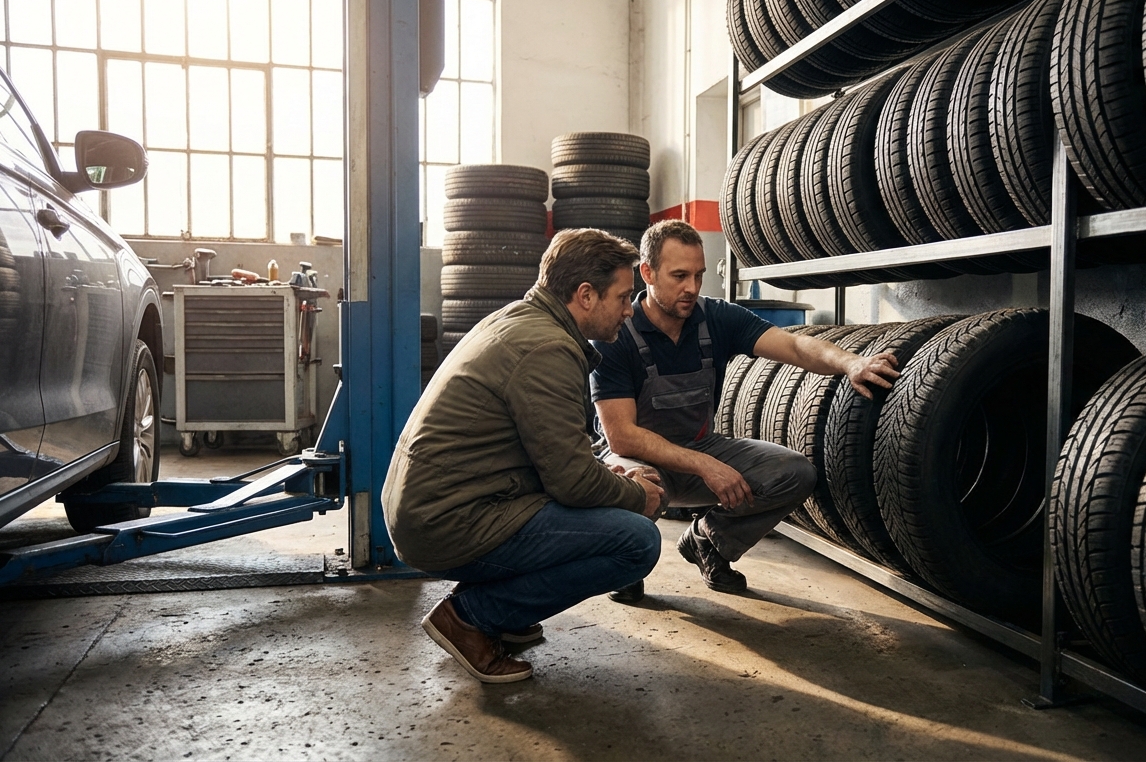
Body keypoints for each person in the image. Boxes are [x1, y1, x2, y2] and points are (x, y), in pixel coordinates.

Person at [382, 228, 665, 684]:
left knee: (614, 505)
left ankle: (502, 612)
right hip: (446, 522)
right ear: (586, 295)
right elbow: (571, 483)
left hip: (439, 507)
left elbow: (552, 450)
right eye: (623, 296)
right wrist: (635, 495)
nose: (629, 310)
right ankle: (471, 617)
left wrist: (604, 473)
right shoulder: (547, 348)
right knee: (636, 539)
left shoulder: (522, 320)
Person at [590, 219, 900, 602]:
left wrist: (850, 362)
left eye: (699, 276)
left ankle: (709, 541)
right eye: (679, 276)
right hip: (636, 459)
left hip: (700, 446)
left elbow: (795, 346)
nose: (692, 288)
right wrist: (706, 466)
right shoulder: (616, 333)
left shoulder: (716, 318)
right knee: (630, 483)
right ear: (648, 273)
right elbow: (622, 434)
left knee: (795, 473)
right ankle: (626, 561)